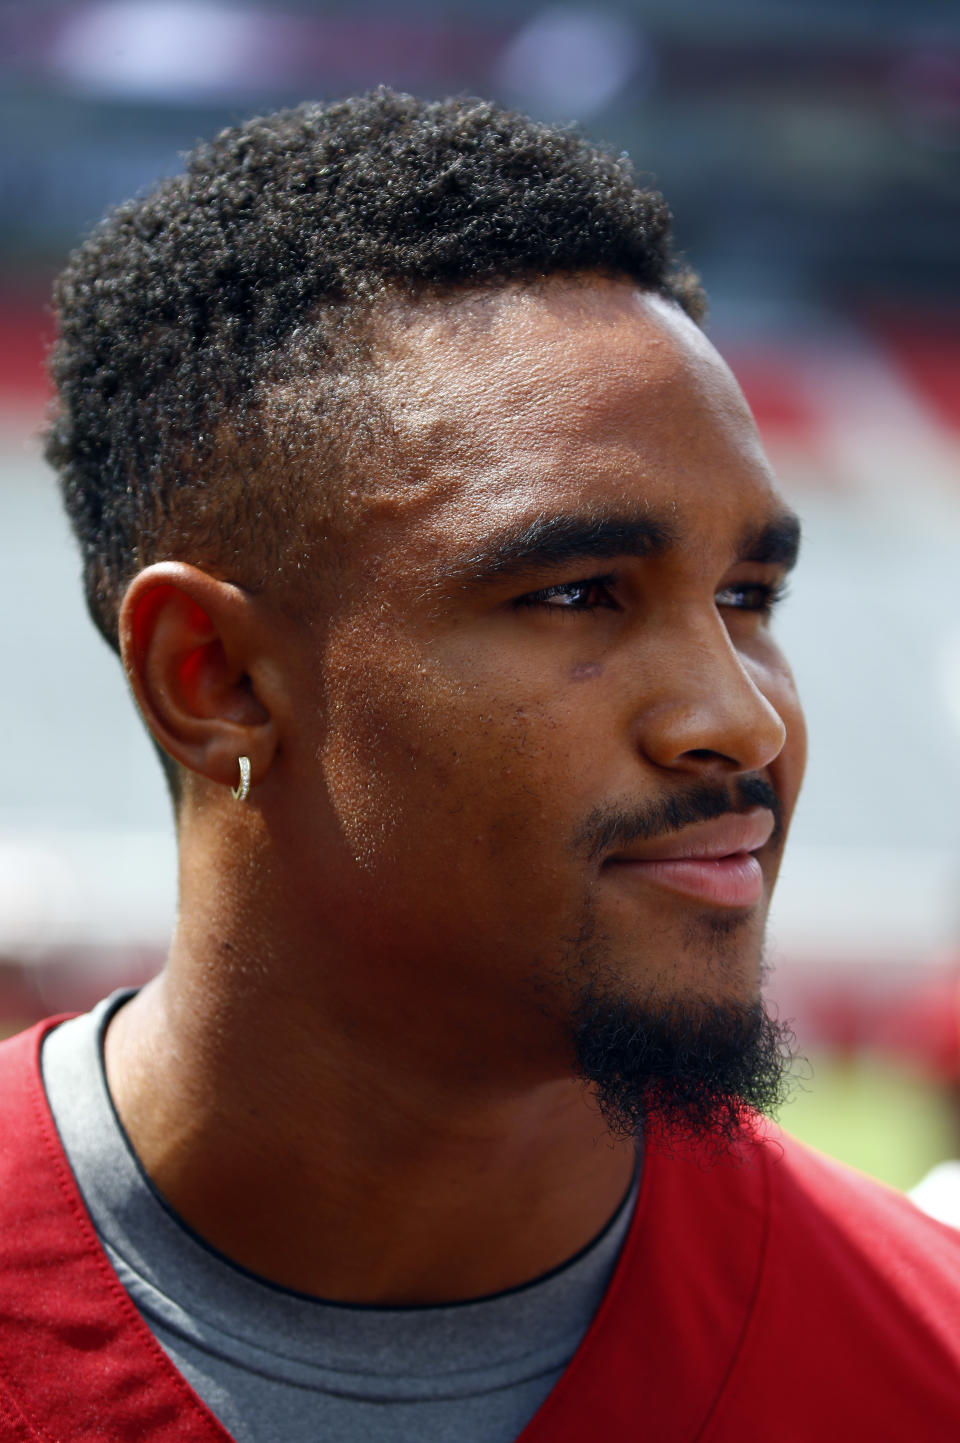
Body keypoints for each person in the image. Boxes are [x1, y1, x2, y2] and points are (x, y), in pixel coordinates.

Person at [3, 89, 958, 1441]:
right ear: (211, 679)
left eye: (750, 597)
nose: (739, 721)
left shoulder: (926, 1363)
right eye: (577, 594)